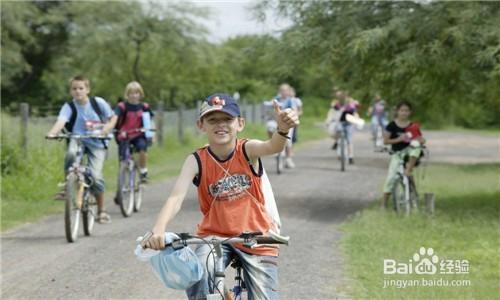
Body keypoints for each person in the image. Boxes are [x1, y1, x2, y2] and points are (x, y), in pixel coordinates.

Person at [142, 93, 299, 299]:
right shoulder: (196, 160)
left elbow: (273, 146)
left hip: (256, 237)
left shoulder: (247, 149)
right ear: (201, 125)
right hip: (213, 237)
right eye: (212, 120)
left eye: (227, 119)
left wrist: (283, 129)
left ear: (240, 123)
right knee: (199, 276)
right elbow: (175, 198)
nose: (220, 125)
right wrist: (158, 230)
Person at [46, 75, 117, 224]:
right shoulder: (69, 106)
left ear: (87, 90)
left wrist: (106, 129)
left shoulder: (98, 103)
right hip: (77, 138)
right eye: (74, 89)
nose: (78, 91)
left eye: (81, 88)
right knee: (71, 153)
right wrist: (53, 132)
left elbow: (113, 118)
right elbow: (61, 121)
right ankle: (68, 184)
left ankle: (102, 210)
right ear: (71, 91)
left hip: (97, 142)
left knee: (96, 176)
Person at [381, 101, 426, 208]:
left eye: (406, 111)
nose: (404, 113)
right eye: (402, 110)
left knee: (416, 147)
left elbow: (420, 138)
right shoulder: (391, 125)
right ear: (397, 111)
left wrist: (421, 140)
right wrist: (398, 139)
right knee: (391, 178)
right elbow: (386, 141)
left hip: (410, 153)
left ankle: (408, 169)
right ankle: (383, 205)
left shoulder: (413, 126)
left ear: (410, 112)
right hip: (397, 153)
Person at [114, 81, 154, 183]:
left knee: (142, 149)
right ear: (127, 94)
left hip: (138, 135)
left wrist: (152, 134)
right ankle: (122, 181)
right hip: (124, 135)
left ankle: (143, 171)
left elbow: (150, 121)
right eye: (131, 93)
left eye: (136, 93)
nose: (134, 95)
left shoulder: (144, 107)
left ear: (140, 94)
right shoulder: (122, 107)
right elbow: (115, 118)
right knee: (123, 158)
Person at [330, 90, 359, 164]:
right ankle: (336, 143)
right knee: (337, 130)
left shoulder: (351, 104)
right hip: (340, 122)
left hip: (349, 124)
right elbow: (333, 111)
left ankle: (350, 157)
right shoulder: (337, 104)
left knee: (349, 140)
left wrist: (356, 120)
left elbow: (355, 113)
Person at [273, 83, 298, 168]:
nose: (284, 92)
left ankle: (288, 158)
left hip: (287, 122)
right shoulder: (276, 99)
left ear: (288, 91)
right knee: (270, 128)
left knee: (288, 140)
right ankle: (275, 149)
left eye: (285, 90)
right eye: (282, 90)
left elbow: (295, 111)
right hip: (277, 121)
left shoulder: (291, 100)